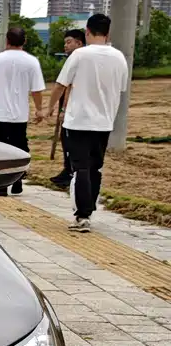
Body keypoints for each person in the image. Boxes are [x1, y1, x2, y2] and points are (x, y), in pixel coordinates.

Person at [48, 14, 129, 232]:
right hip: (104, 123)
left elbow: (60, 85)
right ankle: (89, 210)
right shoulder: (119, 58)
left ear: (87, 31)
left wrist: (50, 107)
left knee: (80, 168)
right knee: (95, 168)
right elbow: (121, 88)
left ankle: (82, 216)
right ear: (108, 33)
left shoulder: (79, 55)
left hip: (78, 122)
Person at [0, 26, 46, 196]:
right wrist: (39, 109)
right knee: (19, 148)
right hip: (19, 116)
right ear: (25, 41)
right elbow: (36, 90)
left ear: (7, 40)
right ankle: (17, 179)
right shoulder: (32, 61)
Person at [50, 28, 87, 188]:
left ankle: (70, 172)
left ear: (79, 43)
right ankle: (68, 170)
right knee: (67, 140)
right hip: (74, 107)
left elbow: (67, 86)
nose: (65, 45)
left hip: (72, 107)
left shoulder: (78, 59)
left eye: (69, 42)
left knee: (69, 141)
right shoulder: (79, 58)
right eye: (65, 42)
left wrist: (63, 110)